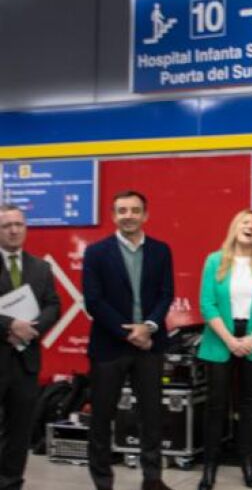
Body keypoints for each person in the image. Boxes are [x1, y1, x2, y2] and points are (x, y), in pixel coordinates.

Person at [83, 191, 174, 490]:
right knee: (101, 418)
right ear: (113, 216)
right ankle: (103, 482)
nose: (129, 216)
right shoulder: (96, 253)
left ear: (145, 215)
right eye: (122, 210)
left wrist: (148, 327)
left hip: (150, 345)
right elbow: (94, 301)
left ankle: (152, 479)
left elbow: (166, 294)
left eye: (135, 210)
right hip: (109, 347)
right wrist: (129, 333)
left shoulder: (161, 251)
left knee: (151, 416)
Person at [196, 210, 252, 490]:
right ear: (234, 227)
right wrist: (229, 340)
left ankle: (248, 463)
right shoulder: (214, 261)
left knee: (248, 404)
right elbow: (207, 303)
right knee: (216, 404)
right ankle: (210, 467)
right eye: (246, 222)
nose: (250, 227)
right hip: (221, 337)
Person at [0, 205, 61, 490]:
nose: (13, 231)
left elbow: (53, 305)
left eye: (18, 225)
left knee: (19, 431)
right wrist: (10, 325)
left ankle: (11, 484)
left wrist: (32, 329)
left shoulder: (41, 268)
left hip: (26, 363)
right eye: (6, 226)